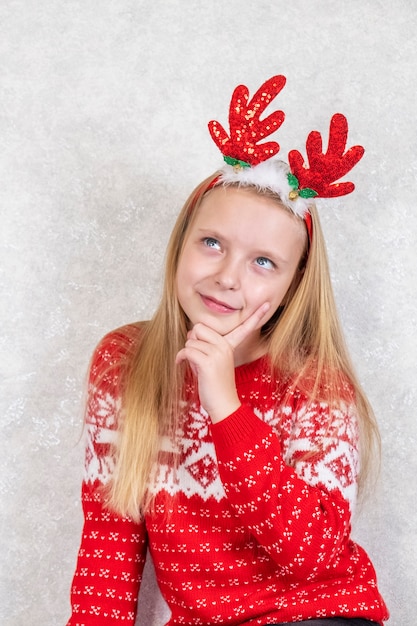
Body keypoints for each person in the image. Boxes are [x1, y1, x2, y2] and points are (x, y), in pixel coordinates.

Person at [67, 75, 389, 625]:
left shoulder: (315, 385)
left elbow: (311, 556)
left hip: (314, 614)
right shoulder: (123, 362)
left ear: (294, 283)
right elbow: (109, 544)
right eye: (212, 243)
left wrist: (225, 404)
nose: (226, 278)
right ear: (181, 244)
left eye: (263, 262)